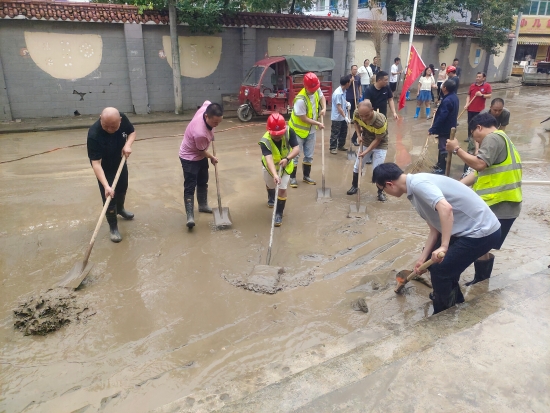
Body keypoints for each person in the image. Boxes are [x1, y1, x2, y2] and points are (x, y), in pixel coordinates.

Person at [372, 163, 501, 314]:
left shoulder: (419, 185)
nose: (385, 193)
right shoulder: (412, 191)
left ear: (389, 184)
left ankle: (444, 313)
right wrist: (422, 258)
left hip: (482, 231)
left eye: (382, 190)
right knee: (434, 264)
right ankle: (453, 299)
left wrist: (444, 246)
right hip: (465, 230)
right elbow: (435, 229)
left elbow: (446, 209)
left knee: (441, 270)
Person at [446, 112, 522, 286]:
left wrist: (457, 149)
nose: (476, 140)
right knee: (483, 244)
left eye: (474, 135)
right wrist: (455, 187)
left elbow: (479, 164)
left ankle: (475, 280)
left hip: (499, 203)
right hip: (503, 203)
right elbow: (478, 173)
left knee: (475, 242)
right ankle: (481, 282)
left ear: (479, 128)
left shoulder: (493, 138)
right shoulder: (503, 139)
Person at [87, 107, 136, 243]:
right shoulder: (94, 134)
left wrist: (128, 145)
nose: (109, 129)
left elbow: (132, 132)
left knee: (122, 189)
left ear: (120, 120)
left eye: (113, 126)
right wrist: (106, 186)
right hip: (104, 168)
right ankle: (113, 227)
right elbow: (96, 164)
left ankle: (120, 209)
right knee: (109, 198)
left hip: (120, 162)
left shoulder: (122, 118)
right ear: (100, 119)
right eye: (105, 126)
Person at [179, 101, 223, 229]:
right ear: (206, 116)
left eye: (219, 122)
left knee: (203, 180)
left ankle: (203, 205)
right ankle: (190, 216)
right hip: (189, 157)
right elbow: (200, 151)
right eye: (215, 123)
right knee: (190, 185)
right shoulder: (200, 133)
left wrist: (212, 131)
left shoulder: (206, 107)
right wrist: (212, 157)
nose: (217, 125)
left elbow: (207, 102)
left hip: (200, 153)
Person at [259, 113, 300, 226]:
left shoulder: (289, 131)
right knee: (270, 185)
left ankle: (278, 214)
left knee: (282, 189)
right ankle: (271, 196)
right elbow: (269, 159)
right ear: (269, 131)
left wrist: (287, 158)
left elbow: (296, 149)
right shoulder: (264, 141)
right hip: (270, 168)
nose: (277, 137)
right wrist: (275, 174)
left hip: (285, 165)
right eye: (275, 135)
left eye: (279, 134)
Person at [288, 72, 326, 187]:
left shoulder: (316, 89)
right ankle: (292, 178)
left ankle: (306, 176)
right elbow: (303, 118)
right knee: (295, 155)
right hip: (297, 131)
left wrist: (323, 108)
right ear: (305, 86)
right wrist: (318, 123)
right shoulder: (300, 100)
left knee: (309, 155)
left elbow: (321, 97)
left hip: (311, 130)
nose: (315, 90)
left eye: (316, 88)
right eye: (312, 89)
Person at [346, 100, 389, 201]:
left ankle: (380, 192)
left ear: (372, 110)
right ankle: (355, 186)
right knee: (358, 166)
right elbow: (356, 123)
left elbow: (378, 140)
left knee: (378, 170)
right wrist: (358, 135)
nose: (364, 118)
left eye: (366, 115)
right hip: (366, 140)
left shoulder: (380, 121)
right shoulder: (357, 113)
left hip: (380, 143)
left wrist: (366, 152)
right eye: (362, 116)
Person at [428, 79, 459, 174]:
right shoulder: (454, 97)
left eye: (442, 85)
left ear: (445, 88)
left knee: (443, 147)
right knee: (442, 145)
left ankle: (442, 168)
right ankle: (439, 164)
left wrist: (433, 129)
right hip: (451, 126)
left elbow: (442, 116)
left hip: (445, 127)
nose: (441, 87)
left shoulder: (447, 100)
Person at [465, 72, 492, 149]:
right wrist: (467, 104)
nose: (477, 78)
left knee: (478, 124)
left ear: (484, 78)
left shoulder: (487, 86)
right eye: (477, 76)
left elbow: (489, 96)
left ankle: (477, 138)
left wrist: (482, 95)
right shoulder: (472, 85)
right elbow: (468, 95)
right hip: (470, 108)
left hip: (480, 110)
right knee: (470, 123)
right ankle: (469, 137)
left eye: (479, 77)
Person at [330, 75, 352, 154]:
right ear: (347, 83)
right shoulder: (338, 93)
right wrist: (345, 117)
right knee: (335, 133)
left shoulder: (344, 90)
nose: (350, 84)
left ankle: (341, 145)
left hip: (343, 115)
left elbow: (342, 100)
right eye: (349, 82)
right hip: (337, 117)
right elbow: (339, 107)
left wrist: (347, 103)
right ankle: (333, 147)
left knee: (343, 131)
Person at [346, 65, 362, 146]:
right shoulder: (348, 77)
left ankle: (354, 120)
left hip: (355, 96)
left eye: (356, 69)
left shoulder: (358, 77)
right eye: (354, 69)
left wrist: (360, 93)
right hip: (349, 96)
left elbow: (359, 85)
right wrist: (351, 81)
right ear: (351, 70)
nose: (355, 70)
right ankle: (349, 120)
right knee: (349, 110)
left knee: (355, 110)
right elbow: (346, 86)